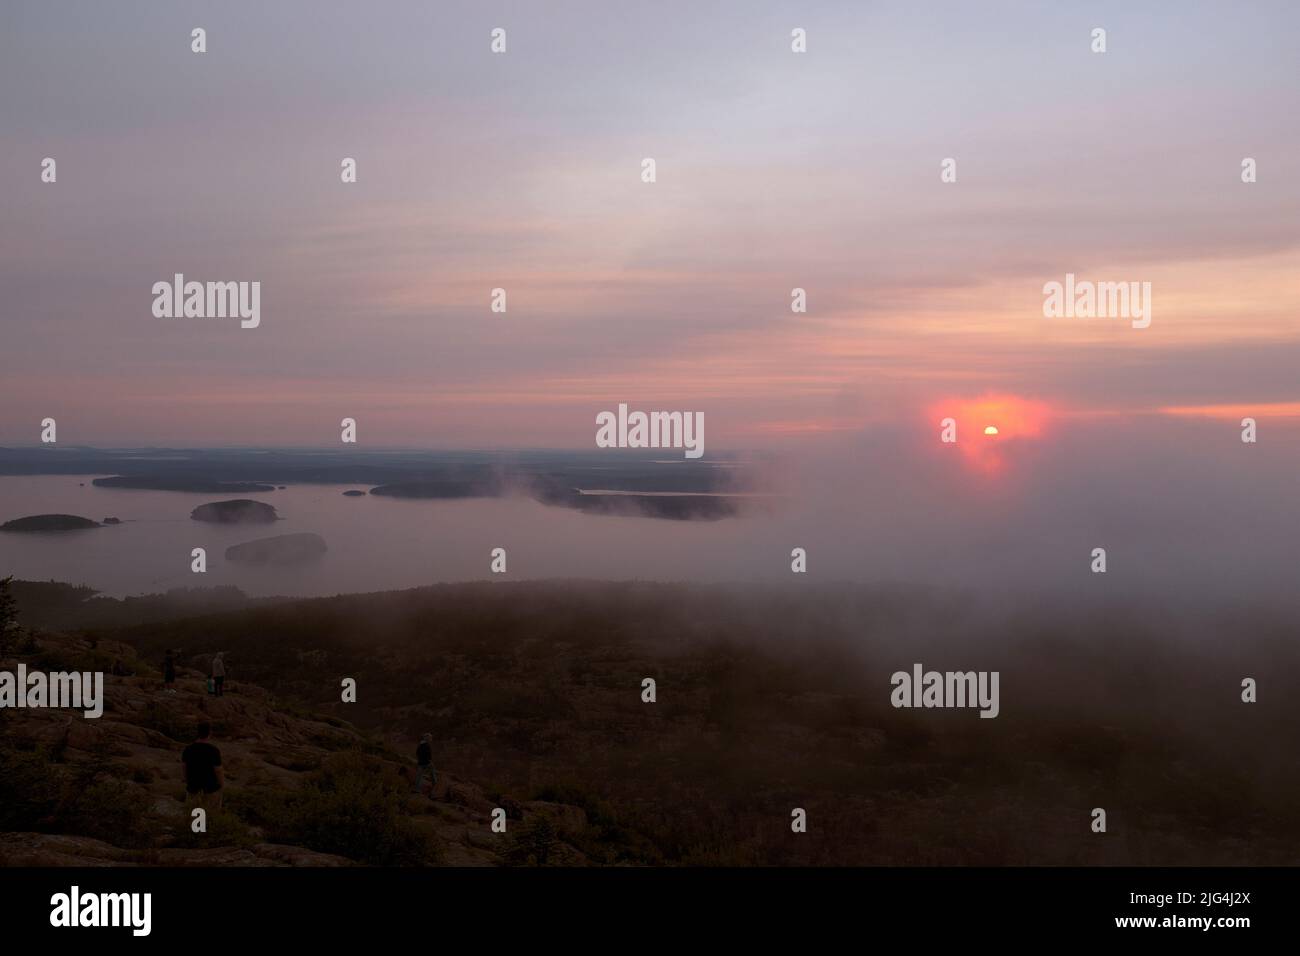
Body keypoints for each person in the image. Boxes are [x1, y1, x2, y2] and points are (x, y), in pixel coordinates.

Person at [181, 720, 224, 812]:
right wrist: (221, 784)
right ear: (209, 733)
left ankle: (198, 826)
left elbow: (184, 767)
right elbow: (218, 770)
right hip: (211, 788)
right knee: (211, 815)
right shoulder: (213, 751)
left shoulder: (188, 749)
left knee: (194, 816)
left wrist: (187, 780)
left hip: (193, 787)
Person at [413, 733, 437, 798]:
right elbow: (428, 755)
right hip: (427, 763)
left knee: (419, 776)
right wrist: (429, 761)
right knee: (433, 776)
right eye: (430, 738)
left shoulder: (420, 745)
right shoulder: (426, 745)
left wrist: (420, 759)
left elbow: (417, 753)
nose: (431, 739)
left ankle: (417, 789)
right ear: (427, 738)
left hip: (420, 763)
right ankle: (435, 790)